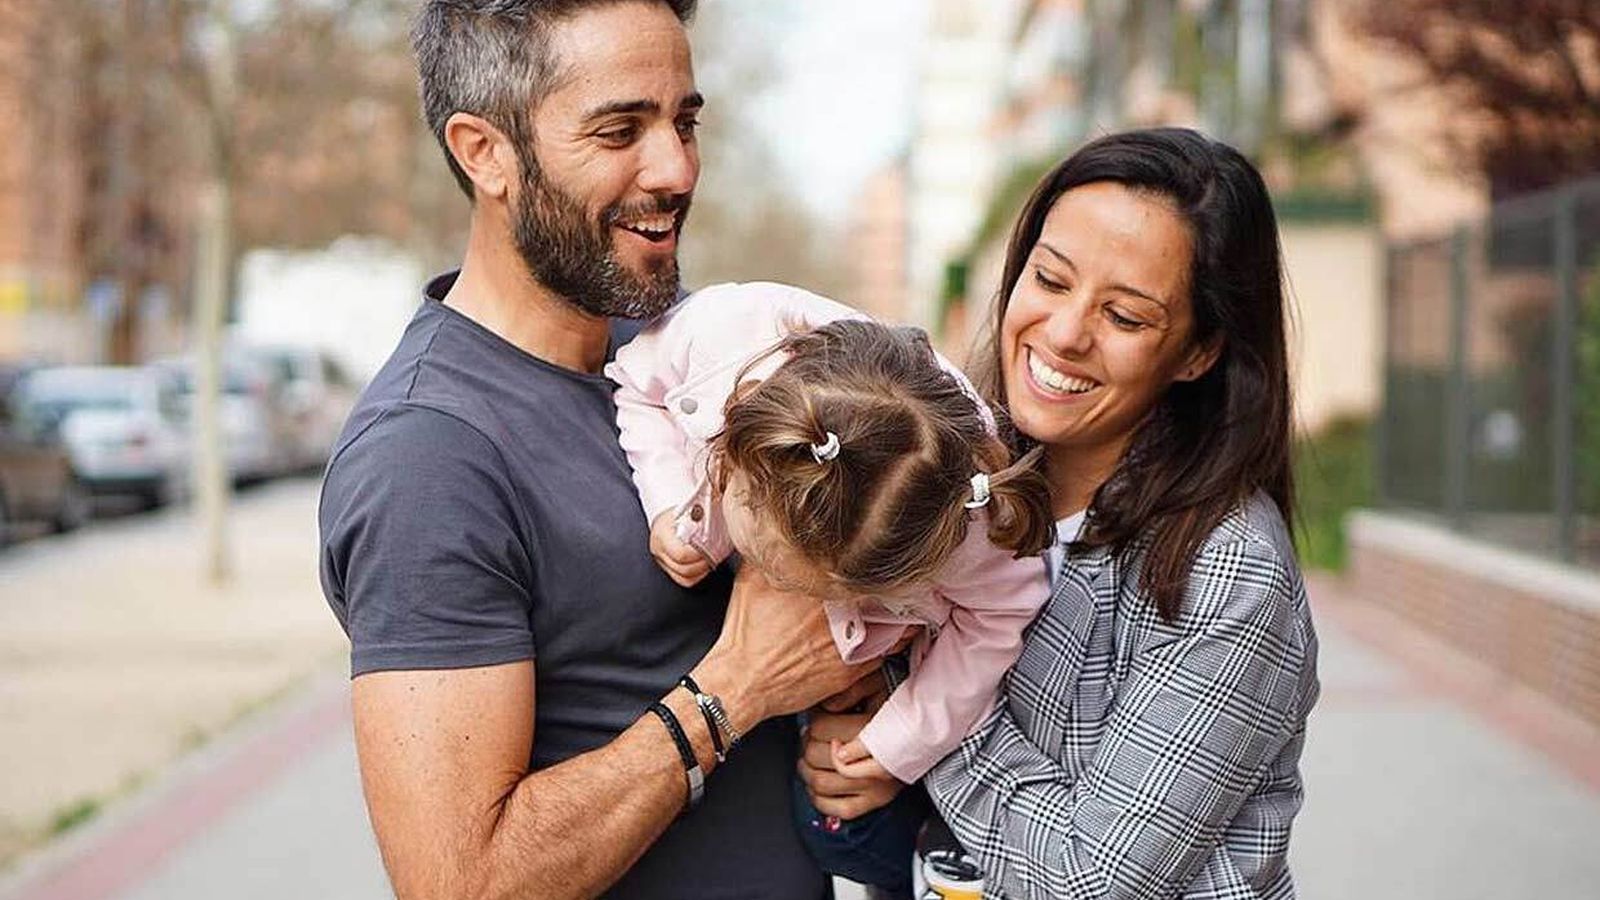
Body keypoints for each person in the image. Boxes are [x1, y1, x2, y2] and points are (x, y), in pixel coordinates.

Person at [317, 3, 874, 898]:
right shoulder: (427, 458)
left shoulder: (675, 351)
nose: (677, 168)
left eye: (684, 121)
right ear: (483, 152)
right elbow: (463, 882)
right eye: (621, 129)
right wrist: (734, 691)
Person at [799, 127, 1321, 898]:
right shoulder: (952, 466)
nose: (1067, 334)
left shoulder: (1227, 569)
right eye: (1050, 279)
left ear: (1198, 351)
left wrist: (918, 727)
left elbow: (1092, 879)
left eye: (1127, 317)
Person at [605, 281, 1056, 894]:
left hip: (871, 687)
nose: (779, 587)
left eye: (803, 584)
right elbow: (637, 387)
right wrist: (673, 507)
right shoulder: (713, 337)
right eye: (769, 562)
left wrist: (903, 738)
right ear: (736, 452)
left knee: (842, 829)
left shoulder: (969, 528)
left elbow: (1002, 613)